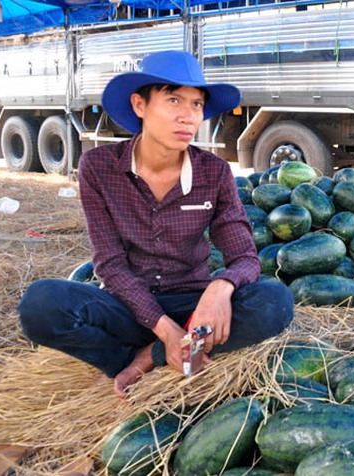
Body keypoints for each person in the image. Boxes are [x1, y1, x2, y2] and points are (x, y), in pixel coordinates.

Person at [18, 50, 294, 398]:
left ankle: (148, 358)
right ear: (139, 105)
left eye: (196, 104)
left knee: (275, 301)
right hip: (128, 306)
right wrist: (164, 329)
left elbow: (244, 257)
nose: (188, 116)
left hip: (193, 304)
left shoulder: (215, 172)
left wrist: (219, 288)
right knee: (41, 304)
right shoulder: (98, 168)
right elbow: (110, 264)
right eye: (174, 100)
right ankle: (134, 355)